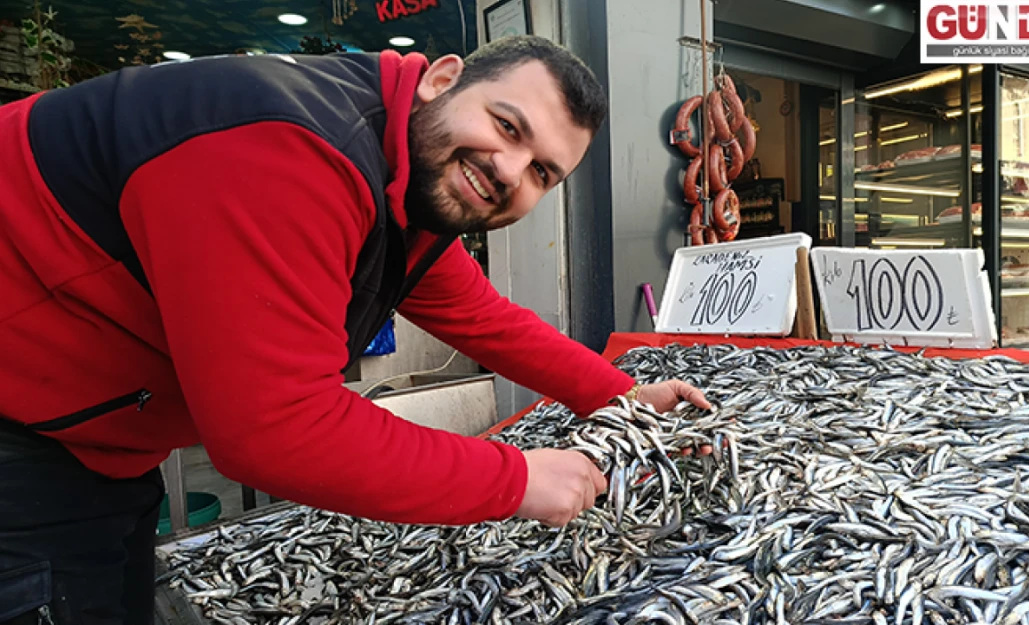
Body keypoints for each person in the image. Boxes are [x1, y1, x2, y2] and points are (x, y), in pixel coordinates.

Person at [0, 35, 710, 624]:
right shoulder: (287, 147)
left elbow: (483, 317)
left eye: (542, 172)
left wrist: (622, 397)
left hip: (97, 433)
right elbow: (275, 430)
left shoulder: (404, 184)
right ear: (442, 79)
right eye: (506, 126)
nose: (509, 170)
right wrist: (518, 477)